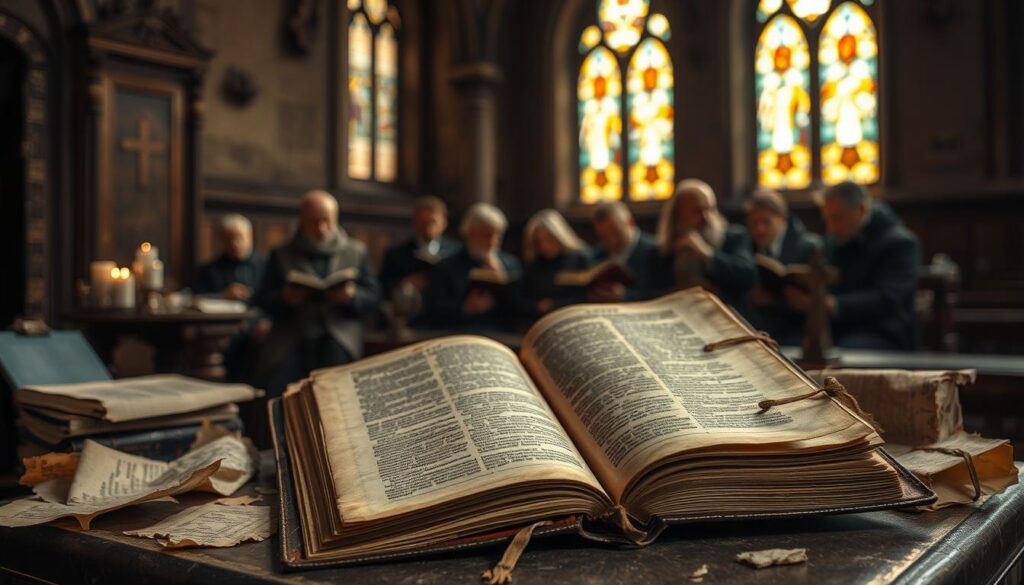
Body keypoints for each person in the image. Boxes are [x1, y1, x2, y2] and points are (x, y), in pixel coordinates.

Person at [254, 190, 381, 397]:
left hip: (339, 334)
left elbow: (375, 297)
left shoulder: (356, 251)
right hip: (292, 334)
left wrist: (352, 297)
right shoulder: (282, 254)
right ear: (302, 221)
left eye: (327, 221)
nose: (322, 228)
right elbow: (262, 300)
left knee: (336, 388)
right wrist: (286, 298)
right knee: (279, 382)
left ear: (336, 219)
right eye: (314, 222)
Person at [784, 181, 920, 350]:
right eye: (827, 219)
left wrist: (835, 304)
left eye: (837, 218)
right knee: (788, 345)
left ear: (861, 209)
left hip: (883, 331)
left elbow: (890, 298)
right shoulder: (834, 241)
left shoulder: (900, 243)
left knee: (843, 351)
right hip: (839, 327)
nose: (830, 228)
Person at [656, 179, 756, 307]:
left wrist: (706, 253)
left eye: (710, 209)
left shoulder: (735, 237)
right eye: (697, 212)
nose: (706, 218)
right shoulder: (664, 250)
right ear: (678, 216)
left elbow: (747, 276)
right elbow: (650, 293)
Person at [742, 188, 822, 345]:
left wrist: (777, 300)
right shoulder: (746, 245)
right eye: (754, 223)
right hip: (761, 326)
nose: (760, 229)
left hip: (795, 328)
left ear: (782, 219)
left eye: (766, 222)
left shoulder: (809, 248)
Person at [425, 202, 521, 331]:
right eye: (486, 235)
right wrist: (466, 308)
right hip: (462, 334)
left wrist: (501, 277)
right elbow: (433, 310)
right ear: (470, 233)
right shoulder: (446, 266)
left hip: (503, 337)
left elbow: (520, 309)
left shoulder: (511, 264)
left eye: (497, 236)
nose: (492, 242)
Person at [378, 196, 461, 301]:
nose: (428, 228)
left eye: (433, 222)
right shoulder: (396, 254)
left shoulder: (456, 252)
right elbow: (381, 289)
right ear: (415, 222)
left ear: (444, 223)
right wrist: (404, 282)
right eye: (424, 222)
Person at [519, 209, 591, 322]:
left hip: (573, 318)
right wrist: (536, 306)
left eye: (549, 239)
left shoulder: (579, 259)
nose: (544, 247)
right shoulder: (534, 265)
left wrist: (555, 304)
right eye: (539, 242)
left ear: (559, 236)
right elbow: (522, 298)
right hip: (540, 321)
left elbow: (586, 296)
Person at [588, 201, 663, 302]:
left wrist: (627, 295)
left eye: (616, 232)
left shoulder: (656, 250)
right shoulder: (598, 254)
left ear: (630, 222)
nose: (611, 241)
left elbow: (663, 294)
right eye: (603, 237)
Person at [194, 214, 266, 301]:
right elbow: (197, 298)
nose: (234, 243)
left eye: (239, 237)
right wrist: (222, 296)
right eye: (228, 239)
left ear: (250, 236)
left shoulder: (267, 266)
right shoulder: (209, 270)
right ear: (222, 240)